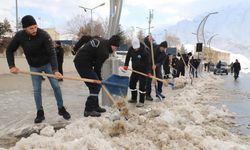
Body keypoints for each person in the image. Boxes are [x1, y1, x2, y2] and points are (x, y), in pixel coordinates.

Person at [6, 15, 71, 123]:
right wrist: (11, 66)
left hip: (47, 64)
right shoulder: (19, 36)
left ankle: (61, 108)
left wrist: (55, 70)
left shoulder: (43, 35)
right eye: (31, 28)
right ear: (25, 29)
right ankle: (40, 113)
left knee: (56, 86)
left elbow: (52, 52)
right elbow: (9, 50)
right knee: (36, 90)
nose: (34, 30)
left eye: (35, 27)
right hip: (34, 66)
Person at [73, 35, 121, 117]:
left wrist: (75, 49)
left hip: (83, 62)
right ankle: (88, 110)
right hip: (82, 63)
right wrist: (99, 79)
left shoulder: (102, 40)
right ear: (112, 44)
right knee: (95, 86)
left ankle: (95, 106)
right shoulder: (104, 52)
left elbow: (85, 38)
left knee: (94, 85)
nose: (115, 50)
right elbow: (97, 68)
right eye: (115, 47)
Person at [122, 37, 150, 107]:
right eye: (134, 48)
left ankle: (141, 101)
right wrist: (126, 65)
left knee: (142, 87)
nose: (135, 49)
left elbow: (148, 63)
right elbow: (128, 57)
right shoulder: (131, 49)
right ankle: (134, 98)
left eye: (136, 48)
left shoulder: (144, 51)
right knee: (131, 84)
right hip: (135, 70)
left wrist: (148, 72)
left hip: (143, 71)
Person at [143, 35, 157, 101]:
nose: (152, 41)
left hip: (151, 65)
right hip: (145, 65)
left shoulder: (154, 46)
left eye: (153, 40)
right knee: (145, 80)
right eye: (151, 40)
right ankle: (145, 94)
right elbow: (145, 40)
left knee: (149, 80)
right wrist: (148, 38)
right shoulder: (145, 46)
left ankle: (148, 94)